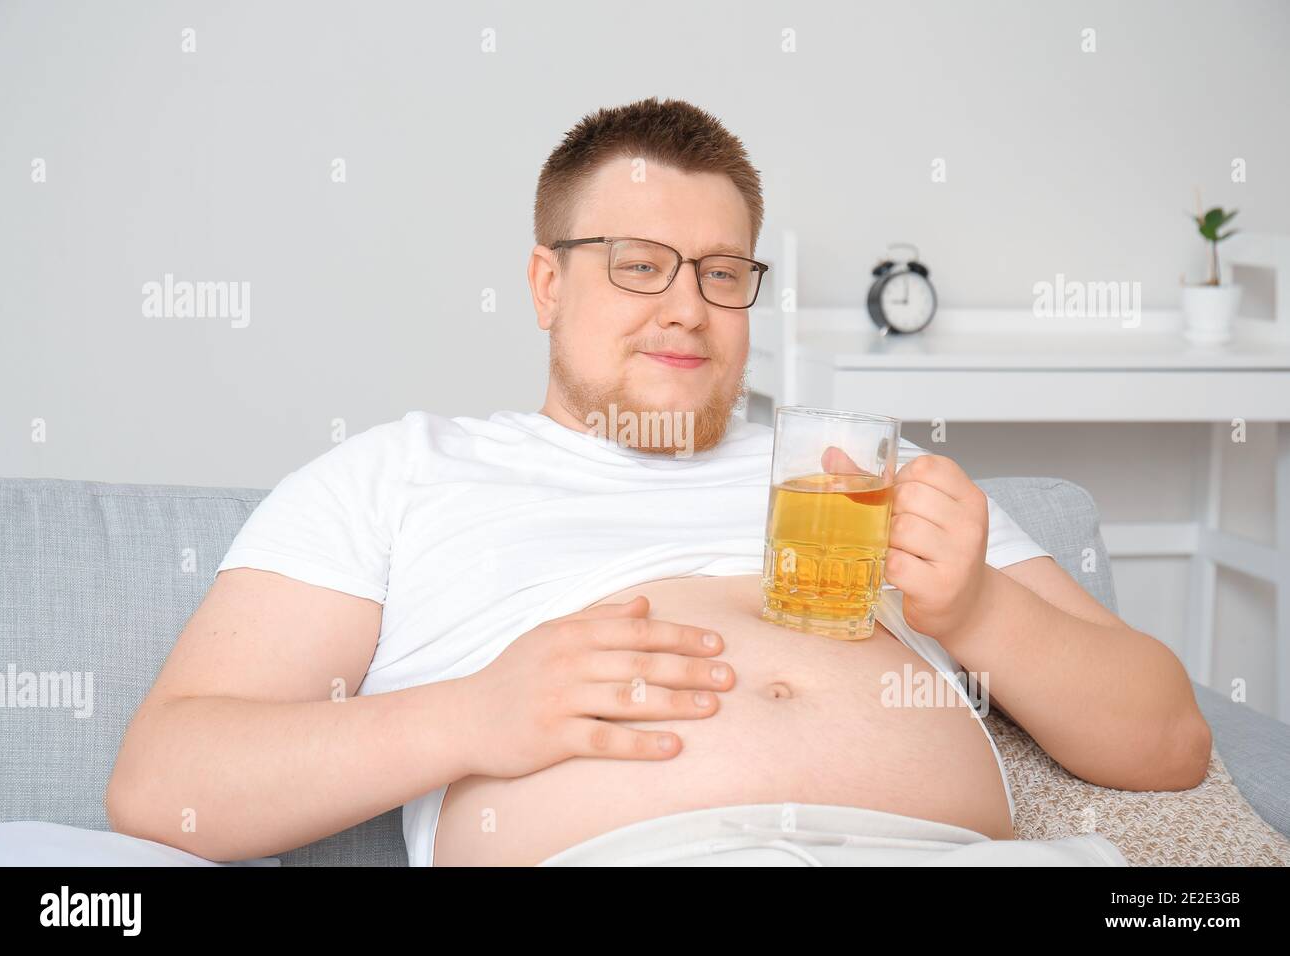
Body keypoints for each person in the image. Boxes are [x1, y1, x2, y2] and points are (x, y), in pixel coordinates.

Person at [91, 97, 1209, 867]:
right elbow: (165, 782)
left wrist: (980, 610)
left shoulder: (864, 472)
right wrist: (473, 716)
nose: (686, 308)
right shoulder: (398, 473)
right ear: (546, 284)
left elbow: (1167, 744)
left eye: (722, 273)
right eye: (639, 266)